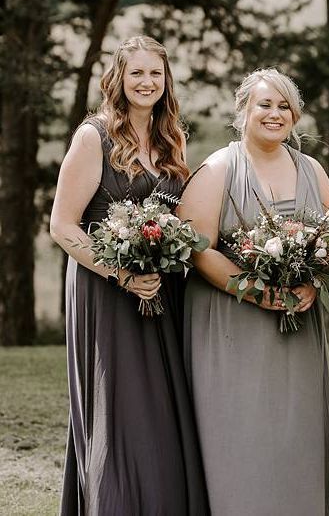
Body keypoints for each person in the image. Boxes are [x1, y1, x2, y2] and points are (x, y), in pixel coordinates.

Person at [50, 35, 208, 515]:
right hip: (106, 293)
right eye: (136, 72)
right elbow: (61, 224)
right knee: (121, 412)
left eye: (155, 73)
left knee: (161, 412)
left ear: (166, 80)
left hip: (163, 293)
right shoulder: (92, 136)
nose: (146, 82)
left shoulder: (170, 139)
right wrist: (121, 273)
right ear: (118, 79)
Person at [181, 67, 329, 515]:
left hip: (297, 328)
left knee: (296, 434)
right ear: (243, 112)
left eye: (284, 106)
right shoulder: (218, 169)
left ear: (296, 115)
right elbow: (197, 249)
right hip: (234, 324)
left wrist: (312, 278)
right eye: (264, 105)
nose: (275, 114)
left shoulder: (311, 169)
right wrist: (255, 290)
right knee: (243, 435)